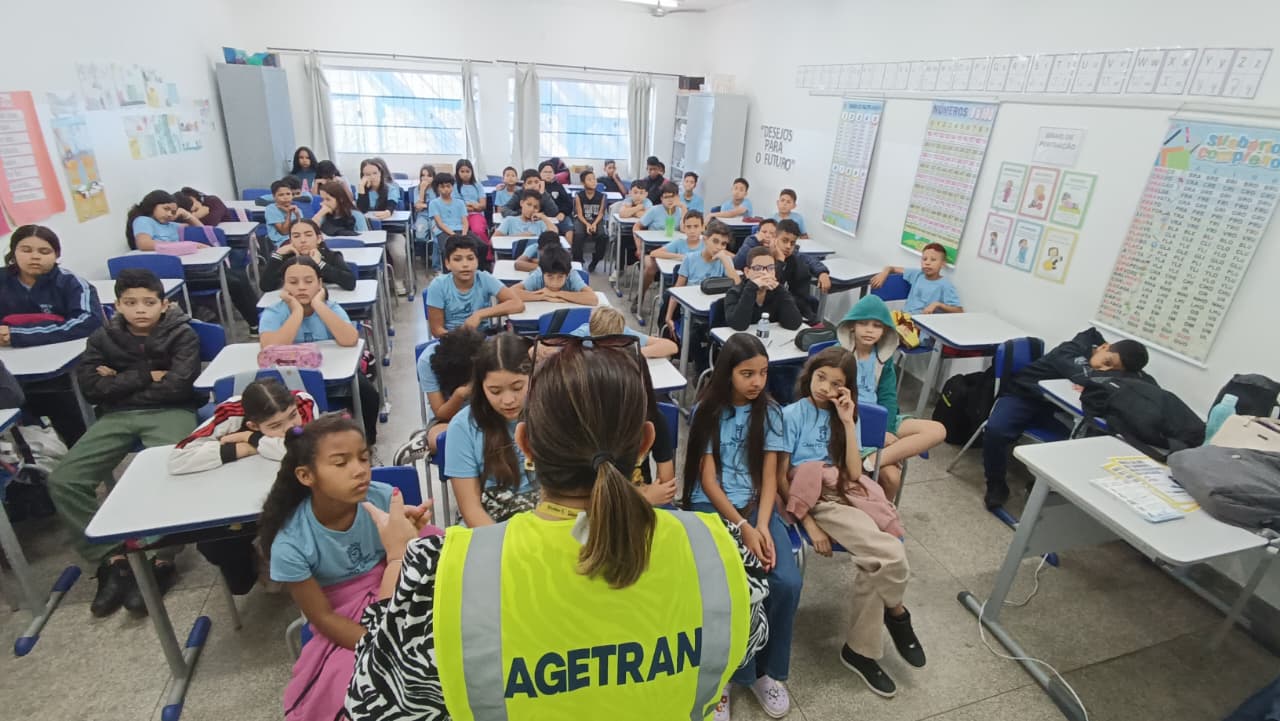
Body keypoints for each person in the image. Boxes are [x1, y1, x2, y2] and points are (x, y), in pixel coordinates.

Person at [346, 336, 770, 721]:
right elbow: (746, 640)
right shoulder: (719, 553)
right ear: (645, 443)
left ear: (526, 445)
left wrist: (397, 560)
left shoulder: (448, 579)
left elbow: (373, 701)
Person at [260, 414, 436, 721]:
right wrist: (380, 645)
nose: (359, 470)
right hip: (345, 621)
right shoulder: (291, 544)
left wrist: (412, 535)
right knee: (354, 685)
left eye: (364, 458)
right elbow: (324, 618)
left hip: (396, 585)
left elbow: (409, 561)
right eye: (341, 463)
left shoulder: (383, 497)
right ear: (306, 475)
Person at [49, 269, 204, 617]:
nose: (140, 309)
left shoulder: (182, 333)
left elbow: (178, 386)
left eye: (149, 302)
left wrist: (118, 380)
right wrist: (147, 375)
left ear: (164, 304)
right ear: (117, 306)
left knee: (172, 471)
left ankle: (161, 557)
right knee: (64, 480)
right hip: (117, 415)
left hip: (171, 411)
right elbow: (91, 389)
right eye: (131, 303)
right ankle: (112, 558)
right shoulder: (102, 337)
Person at [780, 348, 925, 698]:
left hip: (847, 490)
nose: (825, 388)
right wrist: (809, 524)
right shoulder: (789, 415)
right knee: (890, 554)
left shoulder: (846, 416)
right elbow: (781, 477)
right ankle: (896, 611)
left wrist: (847, 421)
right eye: (821, 378)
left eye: (836, 384)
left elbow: (856, 472)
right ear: (809, 374)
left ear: (846, 389)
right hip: (815, 497)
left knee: (877, 560)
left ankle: (860, 650)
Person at [684, 333, 798, 718]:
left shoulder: (772, 413)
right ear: (727, 373)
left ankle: (767, 673)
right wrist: (743, 528)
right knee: (735, 585)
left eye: (763, 373)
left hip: (755, 508)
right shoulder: (708, 412)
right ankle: (725, 677)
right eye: (747, 374)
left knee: (786, 581)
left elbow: (769, 479)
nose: (757, 382)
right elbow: (709, 483)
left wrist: (762, 525)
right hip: (714, 508)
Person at [169, 378, 321, 594]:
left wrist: (252, 439)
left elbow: (305, 451)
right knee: (230, 569)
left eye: (292, 416)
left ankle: (275, 555)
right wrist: (241, 449)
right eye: (275, 426)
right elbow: (179, 458)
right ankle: (256, 557)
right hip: (237, 497)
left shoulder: (303, 403)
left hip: (291, 495)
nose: (289, 428)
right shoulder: (231, 413)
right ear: (252, 424)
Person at [983, 329, 1150, 509]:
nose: (1104, 369)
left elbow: (1146, 382)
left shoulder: (1108, 358)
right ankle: (996, 484)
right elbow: (1085, 375)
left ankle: (1049, 488)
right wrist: (1102, 380)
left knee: (1085, 443)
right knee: (995, 431)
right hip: (1024, 395)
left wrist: (1096, 381)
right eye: (1107, 362)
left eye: (1114, 370)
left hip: (1056, 407)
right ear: (1104, 347)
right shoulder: (1071, 349)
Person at [836, 294, 946, 501]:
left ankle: (872, 461)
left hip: (880, 418)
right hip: (851, 420)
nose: (869, 330)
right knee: (892, 478)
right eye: (863, 323)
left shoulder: (883, 358)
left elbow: (888, 397)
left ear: (885, 331)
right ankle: (876, 506)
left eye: (877, 326)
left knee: (937, 430)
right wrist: (878, 433)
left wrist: (885, 431)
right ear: (851, 326)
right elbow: (833, 399)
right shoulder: (838, 354)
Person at [0, 225, 102, 445]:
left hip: (61, 367)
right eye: (26, 250)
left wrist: (18, 334)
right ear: (13, 253)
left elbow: (88, 321)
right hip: (9, 366)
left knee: (67, 416)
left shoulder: (71, 283)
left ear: (56, 255)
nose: (35, 256)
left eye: (44, 251)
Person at [258, 256, 378, 442]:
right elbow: (270, 347)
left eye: (308, 281)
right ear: (284, 286)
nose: (301, 287)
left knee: (368, 394)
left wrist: (318, 305)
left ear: (320, 283)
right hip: (287, 383)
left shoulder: (330, 308)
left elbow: (350, 339)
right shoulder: (274, 312)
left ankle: (367, 441)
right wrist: (297, 311)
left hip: (334, 380)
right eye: (293, 282)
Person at [125, 189, 261, 332]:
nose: (170, 214)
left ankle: (257, 320)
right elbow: (144, 243)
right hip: (171, 275)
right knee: (233, 282)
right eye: (166, 209)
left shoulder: (170, 225)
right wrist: (188, 246)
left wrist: (188, 215)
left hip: (187, 271)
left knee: (239, 276)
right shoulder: (143, 220)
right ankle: (256, 324)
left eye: (173, 211)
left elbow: (203, 231)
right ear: (152, 206)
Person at [445, 332, 539, 526]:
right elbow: (471, 510)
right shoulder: (462, 427)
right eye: (495, 391)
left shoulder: (552, 413)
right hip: (489, 525)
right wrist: (506, 543)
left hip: (545, 518)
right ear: (481, 387)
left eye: (517, 388)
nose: (508, 400)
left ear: (533, 378)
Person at [425, 233, 523, 337]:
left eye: (470, 258)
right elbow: (437, 330)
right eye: (457, 259)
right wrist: (460, 337)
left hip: (482, 337)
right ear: (447, 263)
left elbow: (517, 303)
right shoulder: (438, 286)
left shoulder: (484, 278)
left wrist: (479, 314)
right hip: (450, 338)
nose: (465, 264)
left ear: (477, 261)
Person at [417, 326, 485, 454]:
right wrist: (460, 394)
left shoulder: (485, 353)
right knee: (441, 441)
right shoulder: (427, 361)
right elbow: (441, 413)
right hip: (446, 419)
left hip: (485, 411)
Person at [663, 218, 738, 331]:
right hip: (691, 312)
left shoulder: (725, 261)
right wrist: (668, 317)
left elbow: (738, 286)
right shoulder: (690, 259)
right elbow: (677, 289)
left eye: (723, 244)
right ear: (705, 240)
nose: (719, 247)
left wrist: (725, 261)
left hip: (714, 312)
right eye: (715, 241)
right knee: (697, 331)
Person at [356, 158, 409, 295]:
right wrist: (362, 189)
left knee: (399, 254)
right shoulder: (361, 191)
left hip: (390, 232)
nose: (372, 177)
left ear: (381, 173)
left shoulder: (391, 188)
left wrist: (387, 212)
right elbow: (361, 210)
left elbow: (391, 206)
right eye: (367, 174)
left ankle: (398, 280)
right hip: (368, 234)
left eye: (375, 173)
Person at [638, 208, 702, 320]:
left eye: (696, 226)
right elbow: (654, 253)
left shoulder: (707, 243)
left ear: (703, 227)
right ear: (683, 228)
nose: (692, 230)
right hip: (682, 286)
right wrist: (680, 257)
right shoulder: (680, 243)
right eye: (688, 227)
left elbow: (726, 254)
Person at [260, 219, 356, 292]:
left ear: (319, 239)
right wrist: (277, 255)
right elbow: (266, 287)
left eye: (308, 235)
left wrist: (320, 263)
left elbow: (350, 283)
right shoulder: (286, 259)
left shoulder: (331, 256)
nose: (303, 240)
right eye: (296, 236)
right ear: (290, 241)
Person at [869, 242, 963, 316]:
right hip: (904, 318)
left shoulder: (945, 285)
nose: (927, 263)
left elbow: (959, 311)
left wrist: (938, 304)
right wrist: (884, 273)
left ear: (942, 264)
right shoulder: (917, 274)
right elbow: (892, 268)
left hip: (922, 325)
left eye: (933, 260)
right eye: (924, 259)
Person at [726, 246, 803, 332]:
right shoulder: (735, 292)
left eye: (770, 268)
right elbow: (739, 326)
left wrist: (780, 289)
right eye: (758, 268)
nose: (765, 273)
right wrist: (752, 287)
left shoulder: (779, 292)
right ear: (747, 272)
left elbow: (794, 324)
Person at [773, 219, 830, 324]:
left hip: (791, 308)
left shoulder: (794, 258)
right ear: (774, 238)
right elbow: (772, 287)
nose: (788, 246)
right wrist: (780, 261)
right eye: (784, 241)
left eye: (792, 243)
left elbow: (810, 260)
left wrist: (822, 273)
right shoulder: (763, 258)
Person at [570, 304, 677, 359]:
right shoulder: (581, 334)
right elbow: (560, 352)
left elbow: (671, 346)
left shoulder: (622, 331)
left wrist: (634, 353)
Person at [514, 246, 597, 306]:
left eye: (560, 277)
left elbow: (593, 299)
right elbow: (512, 292)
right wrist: (543, 296)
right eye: (550, 276)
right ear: (543, 273)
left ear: (567, 274)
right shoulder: (538, 274)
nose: (554, 283)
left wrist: (557, 293)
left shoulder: (572, 275)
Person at [495, 192, 557, 268]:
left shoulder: (540, 223)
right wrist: (519, 236)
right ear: (521, 203)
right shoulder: (510, 220)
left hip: (535, 260)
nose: (531, 209)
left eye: (535, 207)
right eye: (529, 204)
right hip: (512, 259)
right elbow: (495, 239)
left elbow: (555, 234)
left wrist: (543, 217)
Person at [428, 172, 471, 270]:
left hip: (461, 231)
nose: (446, 189)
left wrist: (464, 234)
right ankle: (448, 273)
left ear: (452, 187)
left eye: (448, 186)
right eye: (442, 187)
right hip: (444, 231)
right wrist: (453, 235)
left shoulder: (460, 203)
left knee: (479, 245)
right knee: (448, 248)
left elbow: (465, 221)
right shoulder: (434, 203)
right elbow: (439, 224)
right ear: (437, 188)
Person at [573, 169, 608, 270]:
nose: (593, 181)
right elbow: (579, 214)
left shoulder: (602, 196)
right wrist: (587, 224)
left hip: (596, 220)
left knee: (603, 236)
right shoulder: (579, 196)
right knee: (578, 235)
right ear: (583, 183)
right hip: (582, 220)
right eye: (589, 179)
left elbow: (601, 214)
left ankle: (595, 260)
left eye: (594, 179)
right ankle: (578, 261)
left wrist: (594, 224)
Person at [454, 159, 491, 243]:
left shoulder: (478, 185)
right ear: (457, 172)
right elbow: (457, 206)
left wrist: (470, 206)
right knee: (458, 233)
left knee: (478, 230)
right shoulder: (454, 186)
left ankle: (485, 250)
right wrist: (474, 206)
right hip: (459, 216)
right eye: (462, 171)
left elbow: (483, 205)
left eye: (468, 171)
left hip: (476, 215)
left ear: (472, 172)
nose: (465, 174)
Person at [539, 160, 575, 245]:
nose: (548, 174)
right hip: (542, 216)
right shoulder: (537, 186)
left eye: (550, 172)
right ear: (539, 173)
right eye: (545, 172)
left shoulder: (558, 186)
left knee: (569, 228)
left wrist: (562, 213)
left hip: (559, 215)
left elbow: (568, 203)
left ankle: (568, 250)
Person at [264, 179, 304, 247]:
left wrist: (297, 215)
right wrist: (289, 213)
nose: (286, 197)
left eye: (288, 194)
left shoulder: (297, 209)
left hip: (298, 238)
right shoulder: (271, 209)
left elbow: (302, 229)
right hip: (282, 241)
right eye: (281, 195)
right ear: (274, 196)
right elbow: (284, 232)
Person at [411, 164, 437, 247]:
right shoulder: (417, 189)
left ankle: (434, 252)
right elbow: (418, 208)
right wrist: (422, 190)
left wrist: (425, 205)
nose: (425, 178)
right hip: (422, 216)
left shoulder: (437, 189)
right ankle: (424, 251)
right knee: (420, 235)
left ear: (434, 177)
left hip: (436, 217)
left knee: (436, 234)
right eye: (423, 175)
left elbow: (437, 206)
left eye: (429, 176)